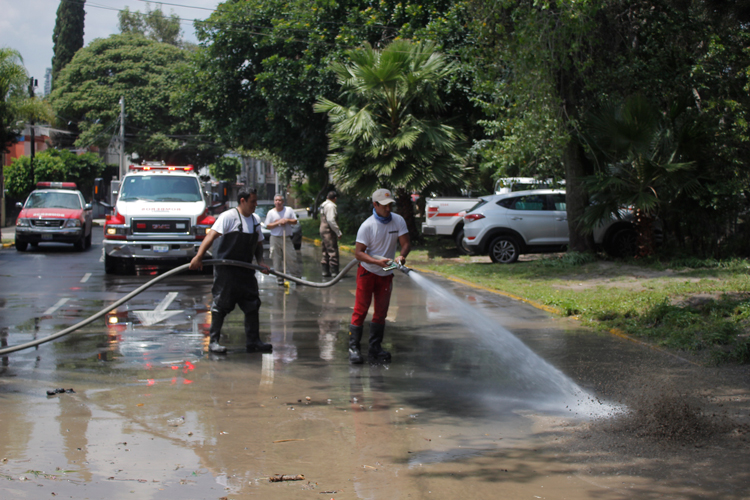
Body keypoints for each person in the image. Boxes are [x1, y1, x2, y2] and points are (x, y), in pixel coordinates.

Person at [189, 188, 273, 354]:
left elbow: (258, 244)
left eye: (256, 201)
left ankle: (253, 341)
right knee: (221, 305)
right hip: (227, 271)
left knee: (252, 305)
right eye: (252, 202)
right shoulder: (228, 217)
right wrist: (198, 257)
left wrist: (261, 262)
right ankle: (213, 342)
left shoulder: (255, 220)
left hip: (246, 270)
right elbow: (210, 236)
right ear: (242, 201)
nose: (255, 205)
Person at [348, 188, 411, 364]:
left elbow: (406, 243)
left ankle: (375, 348)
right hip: (367, 272)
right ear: (375, 205)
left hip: (386, 273)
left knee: (381, 312)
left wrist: (401, 256)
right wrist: (376, 262)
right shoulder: (367, 226)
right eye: (384, 206)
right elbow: (358, 253)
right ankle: (354, 348)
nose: (388, 209)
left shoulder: (398, 221)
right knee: (360, 310)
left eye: (390, 204)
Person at [265, 194, 301, 286]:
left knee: (291, 257)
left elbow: (295, 221)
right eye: (276, 200)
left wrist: (287, 220)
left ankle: (296, 277)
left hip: (286, 238)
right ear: (274, 202)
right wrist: (278, 223)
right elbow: (268, 226)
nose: (278, 202)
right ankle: (280, 278)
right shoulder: (271, 213)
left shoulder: (288, 210)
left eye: (280, 200)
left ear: (283, 202)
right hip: (275, 238)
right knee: (276, 259)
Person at [319, 190, 343, 277]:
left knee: (325, 250)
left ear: (327, 197)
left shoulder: (323, 204)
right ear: (335, 198)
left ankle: (325, 271)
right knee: (332, 250)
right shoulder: (331, 206)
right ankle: (334, 272)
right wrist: (338, 232)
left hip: (323, 229)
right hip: (329, 231)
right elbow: (331, 220)